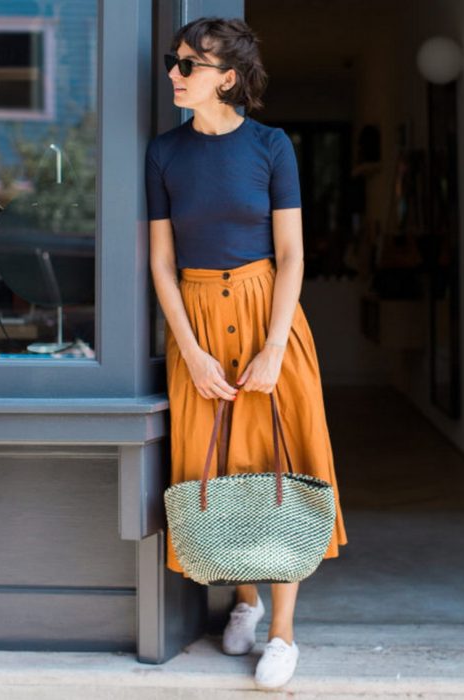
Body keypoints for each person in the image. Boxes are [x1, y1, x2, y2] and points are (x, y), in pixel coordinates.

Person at [145, 16, 348, 691]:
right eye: (175, 61)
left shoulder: (271, 146)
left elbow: (291, 256)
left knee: (283, 463)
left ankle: (284, 634)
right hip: (197, 319)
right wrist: (192, 352)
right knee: (220, 470)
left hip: (270, 314)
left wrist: (273, 344)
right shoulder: (165, 153)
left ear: (227, 78)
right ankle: (246, 600)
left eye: (190, 65)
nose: (175, 73)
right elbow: (162, 264)